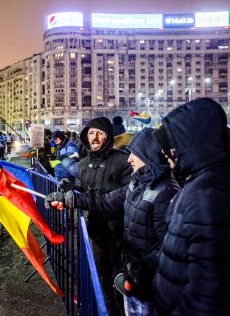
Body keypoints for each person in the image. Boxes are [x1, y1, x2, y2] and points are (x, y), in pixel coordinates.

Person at [46, 128, 180, 316]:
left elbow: (171, 249)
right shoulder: (137, 183)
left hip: (151, 288)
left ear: (149, 156)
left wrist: (137, 272)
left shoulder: (166, 194)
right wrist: (68, 199)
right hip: (133, 277)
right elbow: (105, 200)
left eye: (135, 154)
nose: (129, 159)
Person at [151, 98, 230, 315]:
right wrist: (145, 267)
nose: (166, 153)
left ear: (189, 142)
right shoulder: (203, 183)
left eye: (171, 143)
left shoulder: (209, 195)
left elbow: (211, 298)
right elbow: (187, 248)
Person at [63, 117, 132, 316]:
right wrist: (71, 189)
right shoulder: (84, 163)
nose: (95, 137)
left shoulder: (122, 160)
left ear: (108, 137)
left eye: (100, 133)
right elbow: (86, 189)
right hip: (97, 233)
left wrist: (89, 198)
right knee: (102, 281)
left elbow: (128, 194)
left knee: (120, 283)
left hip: (119, 235)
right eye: (92, 132)